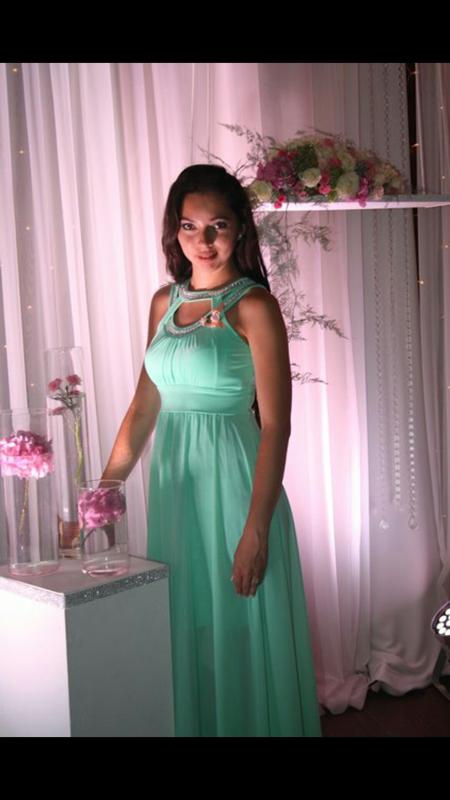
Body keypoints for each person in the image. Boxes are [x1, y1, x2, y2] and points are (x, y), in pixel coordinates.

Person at [102, 164, 321, 737]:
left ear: (240, 228)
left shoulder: (255, 307)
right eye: (189, 226)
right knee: (192, 629)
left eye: (217, 225)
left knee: (242, 625)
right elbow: (143, 407)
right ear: (174, 231)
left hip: (238, 492)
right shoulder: (163, 303)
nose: (203, 240)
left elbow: (276, 427)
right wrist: (102, 491)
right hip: (176, 494)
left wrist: (256, 531)